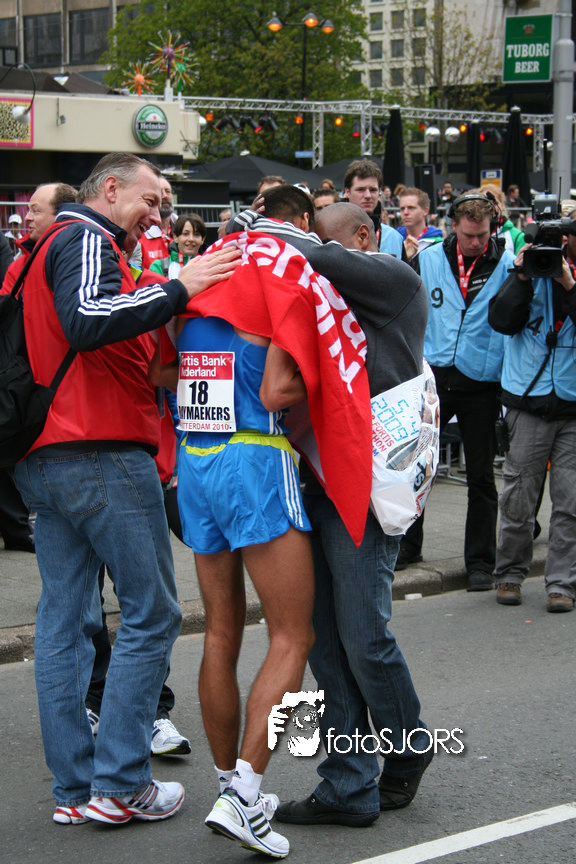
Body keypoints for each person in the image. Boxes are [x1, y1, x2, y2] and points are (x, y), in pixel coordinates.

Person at [12, 152, 240, 827]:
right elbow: (88, 318)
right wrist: (180, 288)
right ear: (109, 189)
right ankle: (120, 783)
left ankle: (77, 791)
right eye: (152, 199)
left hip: (46, 456)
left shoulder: (47, 246)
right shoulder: (86, 236)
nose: (159, 215)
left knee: (64, 623)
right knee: (152, 613)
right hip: (100, 452)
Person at [227, 190, 433, 826]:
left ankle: (407, 746)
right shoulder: (323, 289)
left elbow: (316, 257)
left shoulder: (394, 279)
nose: (314, 248)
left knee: (364, 635)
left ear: (364, 237)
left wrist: (265, 231)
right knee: (321, 643)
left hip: (363, 485)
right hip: (309, 475)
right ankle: (348, 784)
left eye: (326, 236)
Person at [397, 195, 514, 590]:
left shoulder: (507, 264)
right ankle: (407, 545)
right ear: (453, 227)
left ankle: (480, 562)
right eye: (468, 236)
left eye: (482, 235)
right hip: (434, 378)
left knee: (481, 476)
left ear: (492, 228)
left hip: (481, 381)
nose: (476, 243)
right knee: (416, 468)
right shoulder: (428, 258)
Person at [489, 226, 576, 612]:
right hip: (528, 403)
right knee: (518, 498)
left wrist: (568, 284)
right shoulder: (521, 274)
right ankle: (509, 574)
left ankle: (562, 584)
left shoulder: (570, 277)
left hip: (572, 408)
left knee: (570, 504)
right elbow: (501, 321)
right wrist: (521, 276)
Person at [150, 213, 206, 279]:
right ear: (175, 237)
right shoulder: (158, 267)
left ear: (203, 239)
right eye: (185, 234)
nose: (191, 239)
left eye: (196, 235)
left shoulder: (210, 267)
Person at [397, 187, 443, 261]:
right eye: (402, 208)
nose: (405, 212)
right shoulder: (394, 238)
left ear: (425, 211)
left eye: (411, 208)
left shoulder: (437, 243)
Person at [139, 175, 175, 268]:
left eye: (168, 191)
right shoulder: (139, 232)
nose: (165, 196)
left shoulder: (185, 229)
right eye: (159, 192)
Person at [343, 158, 382, 241]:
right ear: (347, 192)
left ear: (379, 192)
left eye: (373, 190)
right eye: (360, 190)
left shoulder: (394, 236)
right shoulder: (333, 232)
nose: (368, 196)